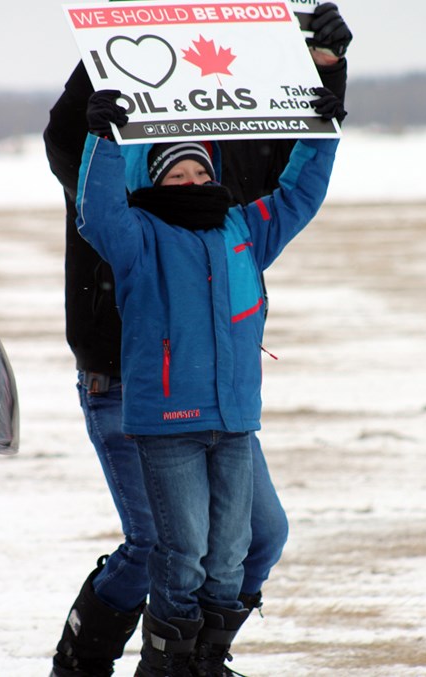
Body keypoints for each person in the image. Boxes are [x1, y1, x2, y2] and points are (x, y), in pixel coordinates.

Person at [43, 5, 351, 675]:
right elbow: (74, 147)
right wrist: (107, 89)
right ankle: (87, 652)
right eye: (175, 173)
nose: (191, 181)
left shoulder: (234, 209)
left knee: (255, 536)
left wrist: (327, 73)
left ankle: (200, 658)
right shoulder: (123, 197)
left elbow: (296, 165)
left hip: (221, 400)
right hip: (128, 380)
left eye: (198, 171)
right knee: (161, 544)